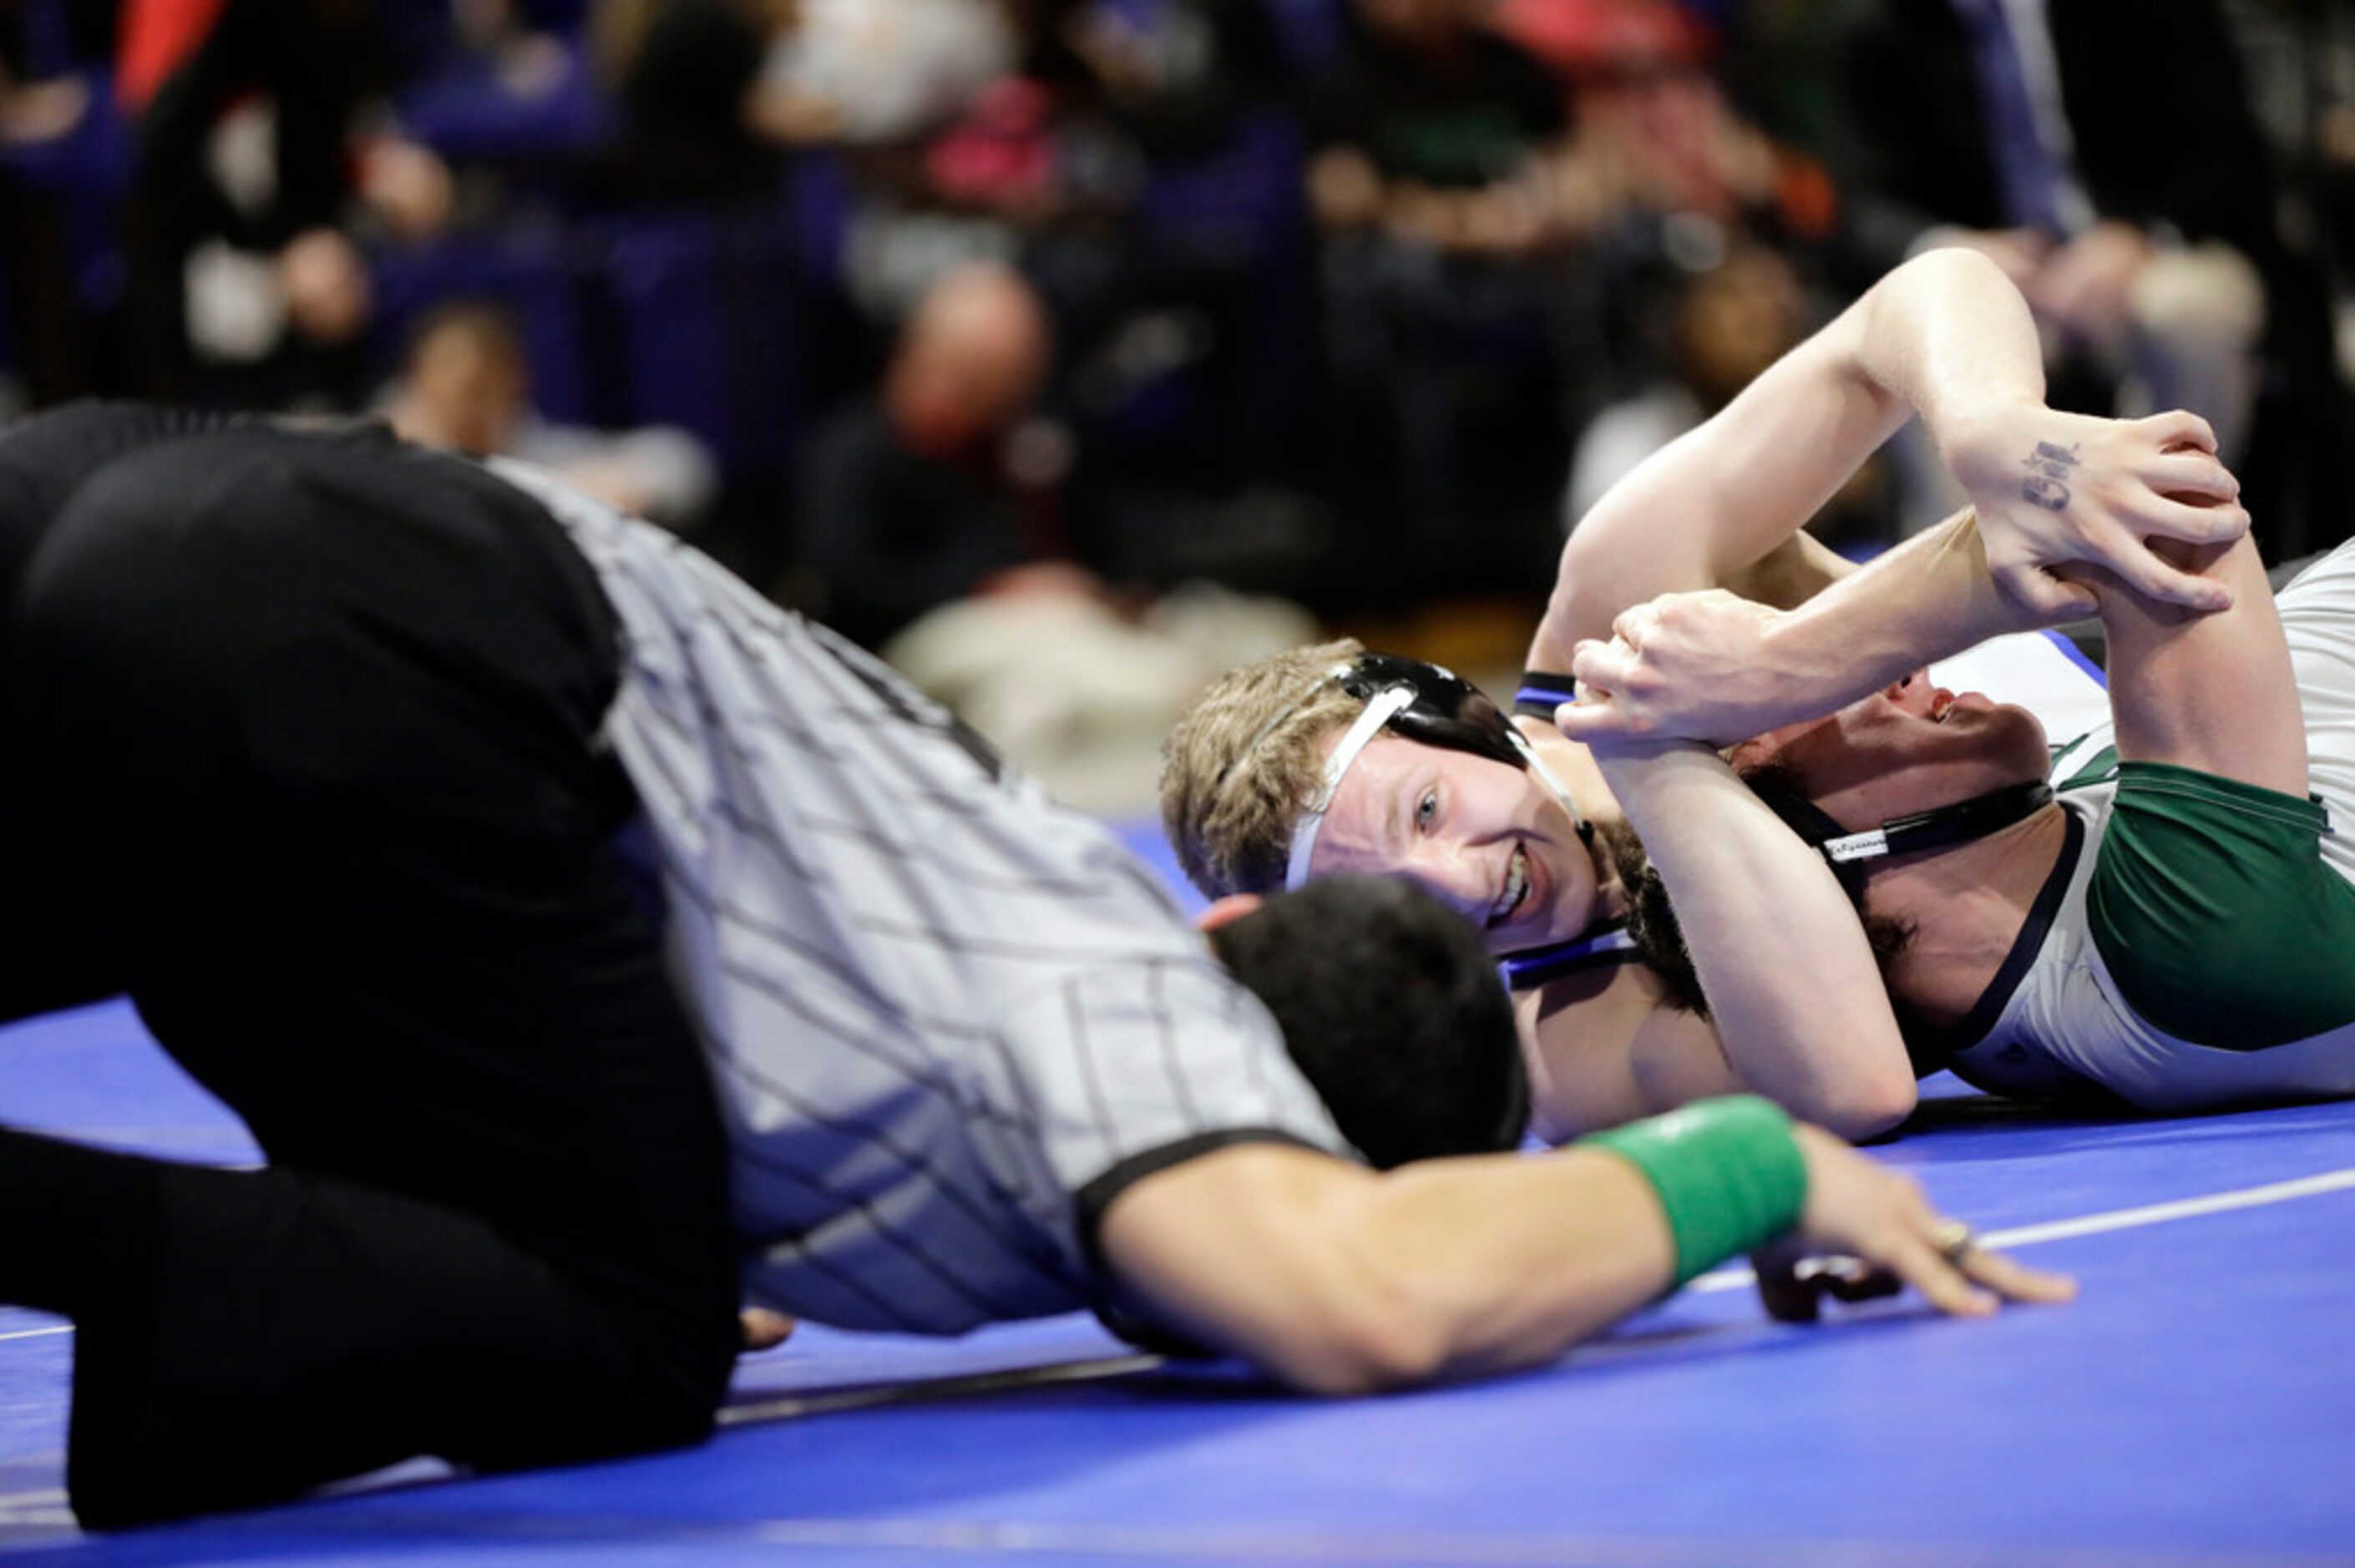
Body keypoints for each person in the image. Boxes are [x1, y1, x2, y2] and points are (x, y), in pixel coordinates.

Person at [0, 402, 2064, 1529]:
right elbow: (1361, 1300)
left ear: (1235, 922)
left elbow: (568, 947)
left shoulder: (1005, 943)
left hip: (206, 524)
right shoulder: (1144, 1055)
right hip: (328, 627)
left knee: (602, 1257)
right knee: (618, 1344)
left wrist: (617, 1185)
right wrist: (1749, 1172)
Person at [1162, 245, 2245, 1141]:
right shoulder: (1574, 1042)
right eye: (1396, 899)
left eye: (1429, 811)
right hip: (2208, 907)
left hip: (2221, 691)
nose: (1463, 883)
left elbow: (1914, 305)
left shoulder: (1622, 590)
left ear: (1472, 719)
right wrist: (1659, 737)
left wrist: (1992, 429)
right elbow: (1853, 1088)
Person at [1556, 451, 2355, 1116]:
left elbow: (1721, 534)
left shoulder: (2003, 961)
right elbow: (2151, 494)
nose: (1897, 670)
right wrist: (1788, 660)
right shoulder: (2180, 947)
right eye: (1788, 707)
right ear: (1822, 855)